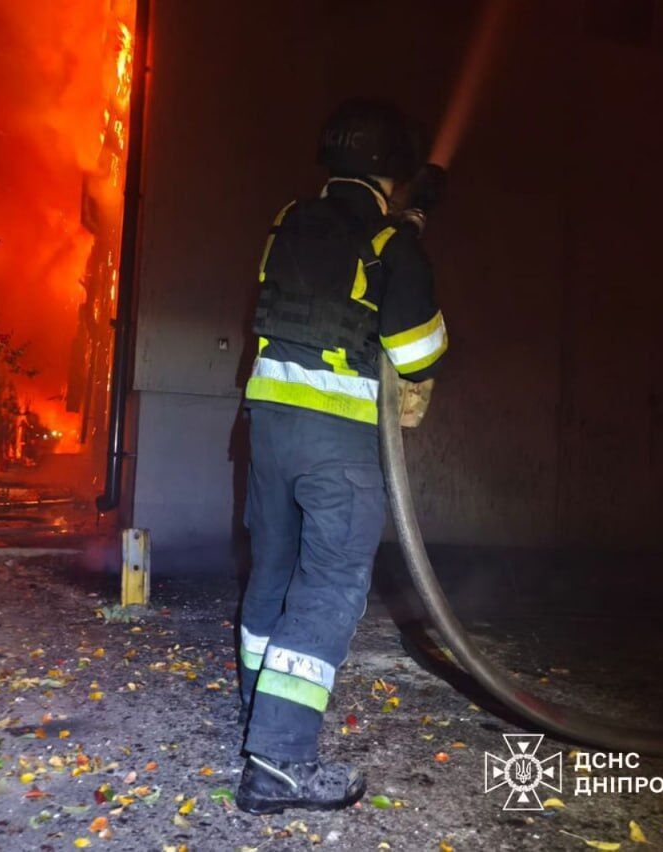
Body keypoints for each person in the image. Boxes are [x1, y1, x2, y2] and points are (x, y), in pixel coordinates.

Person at [235, 99, 448, 814]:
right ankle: (281, 762)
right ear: (393, 173)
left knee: (271, 574)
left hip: (267, 427)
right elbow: (418, 349)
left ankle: (259, 718)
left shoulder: (286, 221)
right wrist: (408, 252)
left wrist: (403, 236)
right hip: (339, 443)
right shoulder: (390, 243)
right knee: (329, 585)